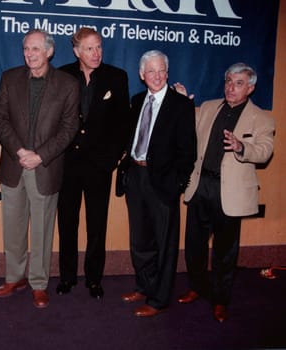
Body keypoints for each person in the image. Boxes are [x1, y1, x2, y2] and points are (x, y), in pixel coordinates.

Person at [177, 63, 275, 322]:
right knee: (194, 245)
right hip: (201, 186)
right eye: (229, 81)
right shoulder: (209, 107)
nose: (231, 87)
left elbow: (264, 150)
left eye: (239, 83)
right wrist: (182, 104)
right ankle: (197, 287)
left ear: (251, 88)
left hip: (230, 193)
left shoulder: (261, 118)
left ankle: (220, 300)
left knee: (225, 252)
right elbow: (188, 131)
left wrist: (241, 146)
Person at [0, 29, 79, 308]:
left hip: (45, 167)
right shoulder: (10, 78)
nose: (29, 54)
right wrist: (20, 151)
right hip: (14, 165)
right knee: (13, 228)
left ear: (49, 52)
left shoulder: (67, 84)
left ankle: (39, 283)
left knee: (43, 231)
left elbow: (69, 129)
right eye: (26, 49)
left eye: (36, 49)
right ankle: (14, 277)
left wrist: (40, 156)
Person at [56, 27, 131, 299]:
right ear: (77, 52)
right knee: (66, 222)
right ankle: (66, 277)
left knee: (97, 225)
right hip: (67, 165)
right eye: (89, 48)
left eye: (99, 47)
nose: (96, 53)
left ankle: (94, 279)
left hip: (100, 166)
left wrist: (111, 159)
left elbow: (124, 123)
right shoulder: (62, 75)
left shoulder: (116, 77)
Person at [121, 50, 196, 317]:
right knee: (140, 240)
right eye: (150, 71)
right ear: (142, 75)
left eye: (161, 70)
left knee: (164, 243)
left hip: (163, 182)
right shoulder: (137, 99)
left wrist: (176, 185)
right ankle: (144, 286)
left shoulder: (181, 105)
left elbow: (188, 153)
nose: (156, 75)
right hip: (136, 177)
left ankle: (159, 298)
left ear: (167, 72)